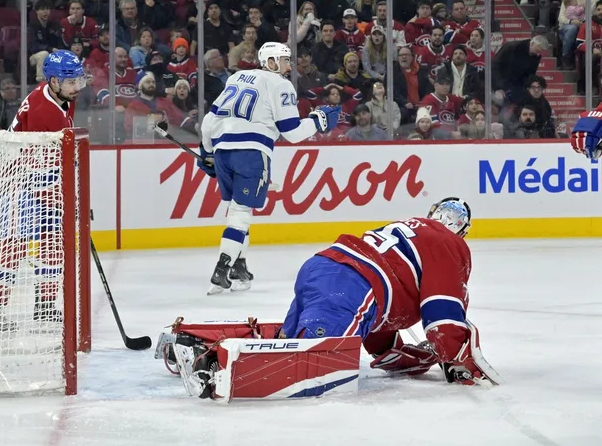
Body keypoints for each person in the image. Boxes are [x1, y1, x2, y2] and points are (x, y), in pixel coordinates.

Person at [279, 198, 500, 387]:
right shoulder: (449, 242)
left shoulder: (406, 227)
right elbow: (442, 309)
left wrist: (390, 352)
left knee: (280, 348)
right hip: (352, 284)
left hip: (321, 267)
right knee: (311, 372)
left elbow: (378, 305)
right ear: (463, 230)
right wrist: (457, 359)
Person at [198, 42, 340, 295]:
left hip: (223, 151)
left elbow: (210, 119)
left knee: (237, 210)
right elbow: (293, 133)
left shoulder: (238, 77)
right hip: (251, 152)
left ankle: (239, 266)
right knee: (241, 212)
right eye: (284, 60)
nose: (289, 64)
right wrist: (318, 122)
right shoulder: (281, 84)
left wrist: (207, 152)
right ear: (271, 62)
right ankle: (222, 268)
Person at [0, 50, 86, 331]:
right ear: (53, 80)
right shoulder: (44, 110)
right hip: (19, 183)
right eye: (71, 81)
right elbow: (34, 165)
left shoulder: (61, 96)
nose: (77, 87)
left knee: (52, 243)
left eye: (79, 81)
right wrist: (66, 197)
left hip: (44, 180)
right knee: (13, 246)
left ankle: (45, 304)